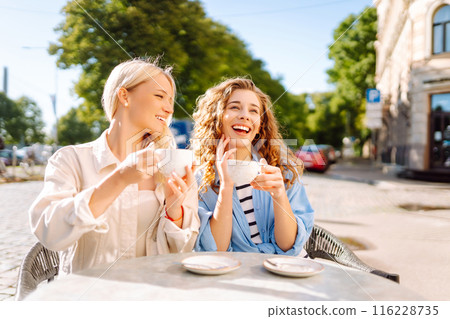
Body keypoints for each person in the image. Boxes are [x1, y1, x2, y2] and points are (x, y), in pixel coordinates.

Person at [29, 58, 200, 276]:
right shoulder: (71, 159)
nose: (168, 109)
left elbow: (183, 250)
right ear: (124, 96)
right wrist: (119, 179)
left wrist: (175, 211)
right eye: (159, 96)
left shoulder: (174, 165)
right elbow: (49, 233)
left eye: (171, 100)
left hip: (154, 294)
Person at [192, 78, 314, 255]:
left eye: (254, 111)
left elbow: (288, 246)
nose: (245, 115)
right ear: (216, 117)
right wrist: (226, 187)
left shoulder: (283, 171)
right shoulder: (198, 180)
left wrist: (279, 195)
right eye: (234, 107)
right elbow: (216, 249)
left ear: (260, 125)